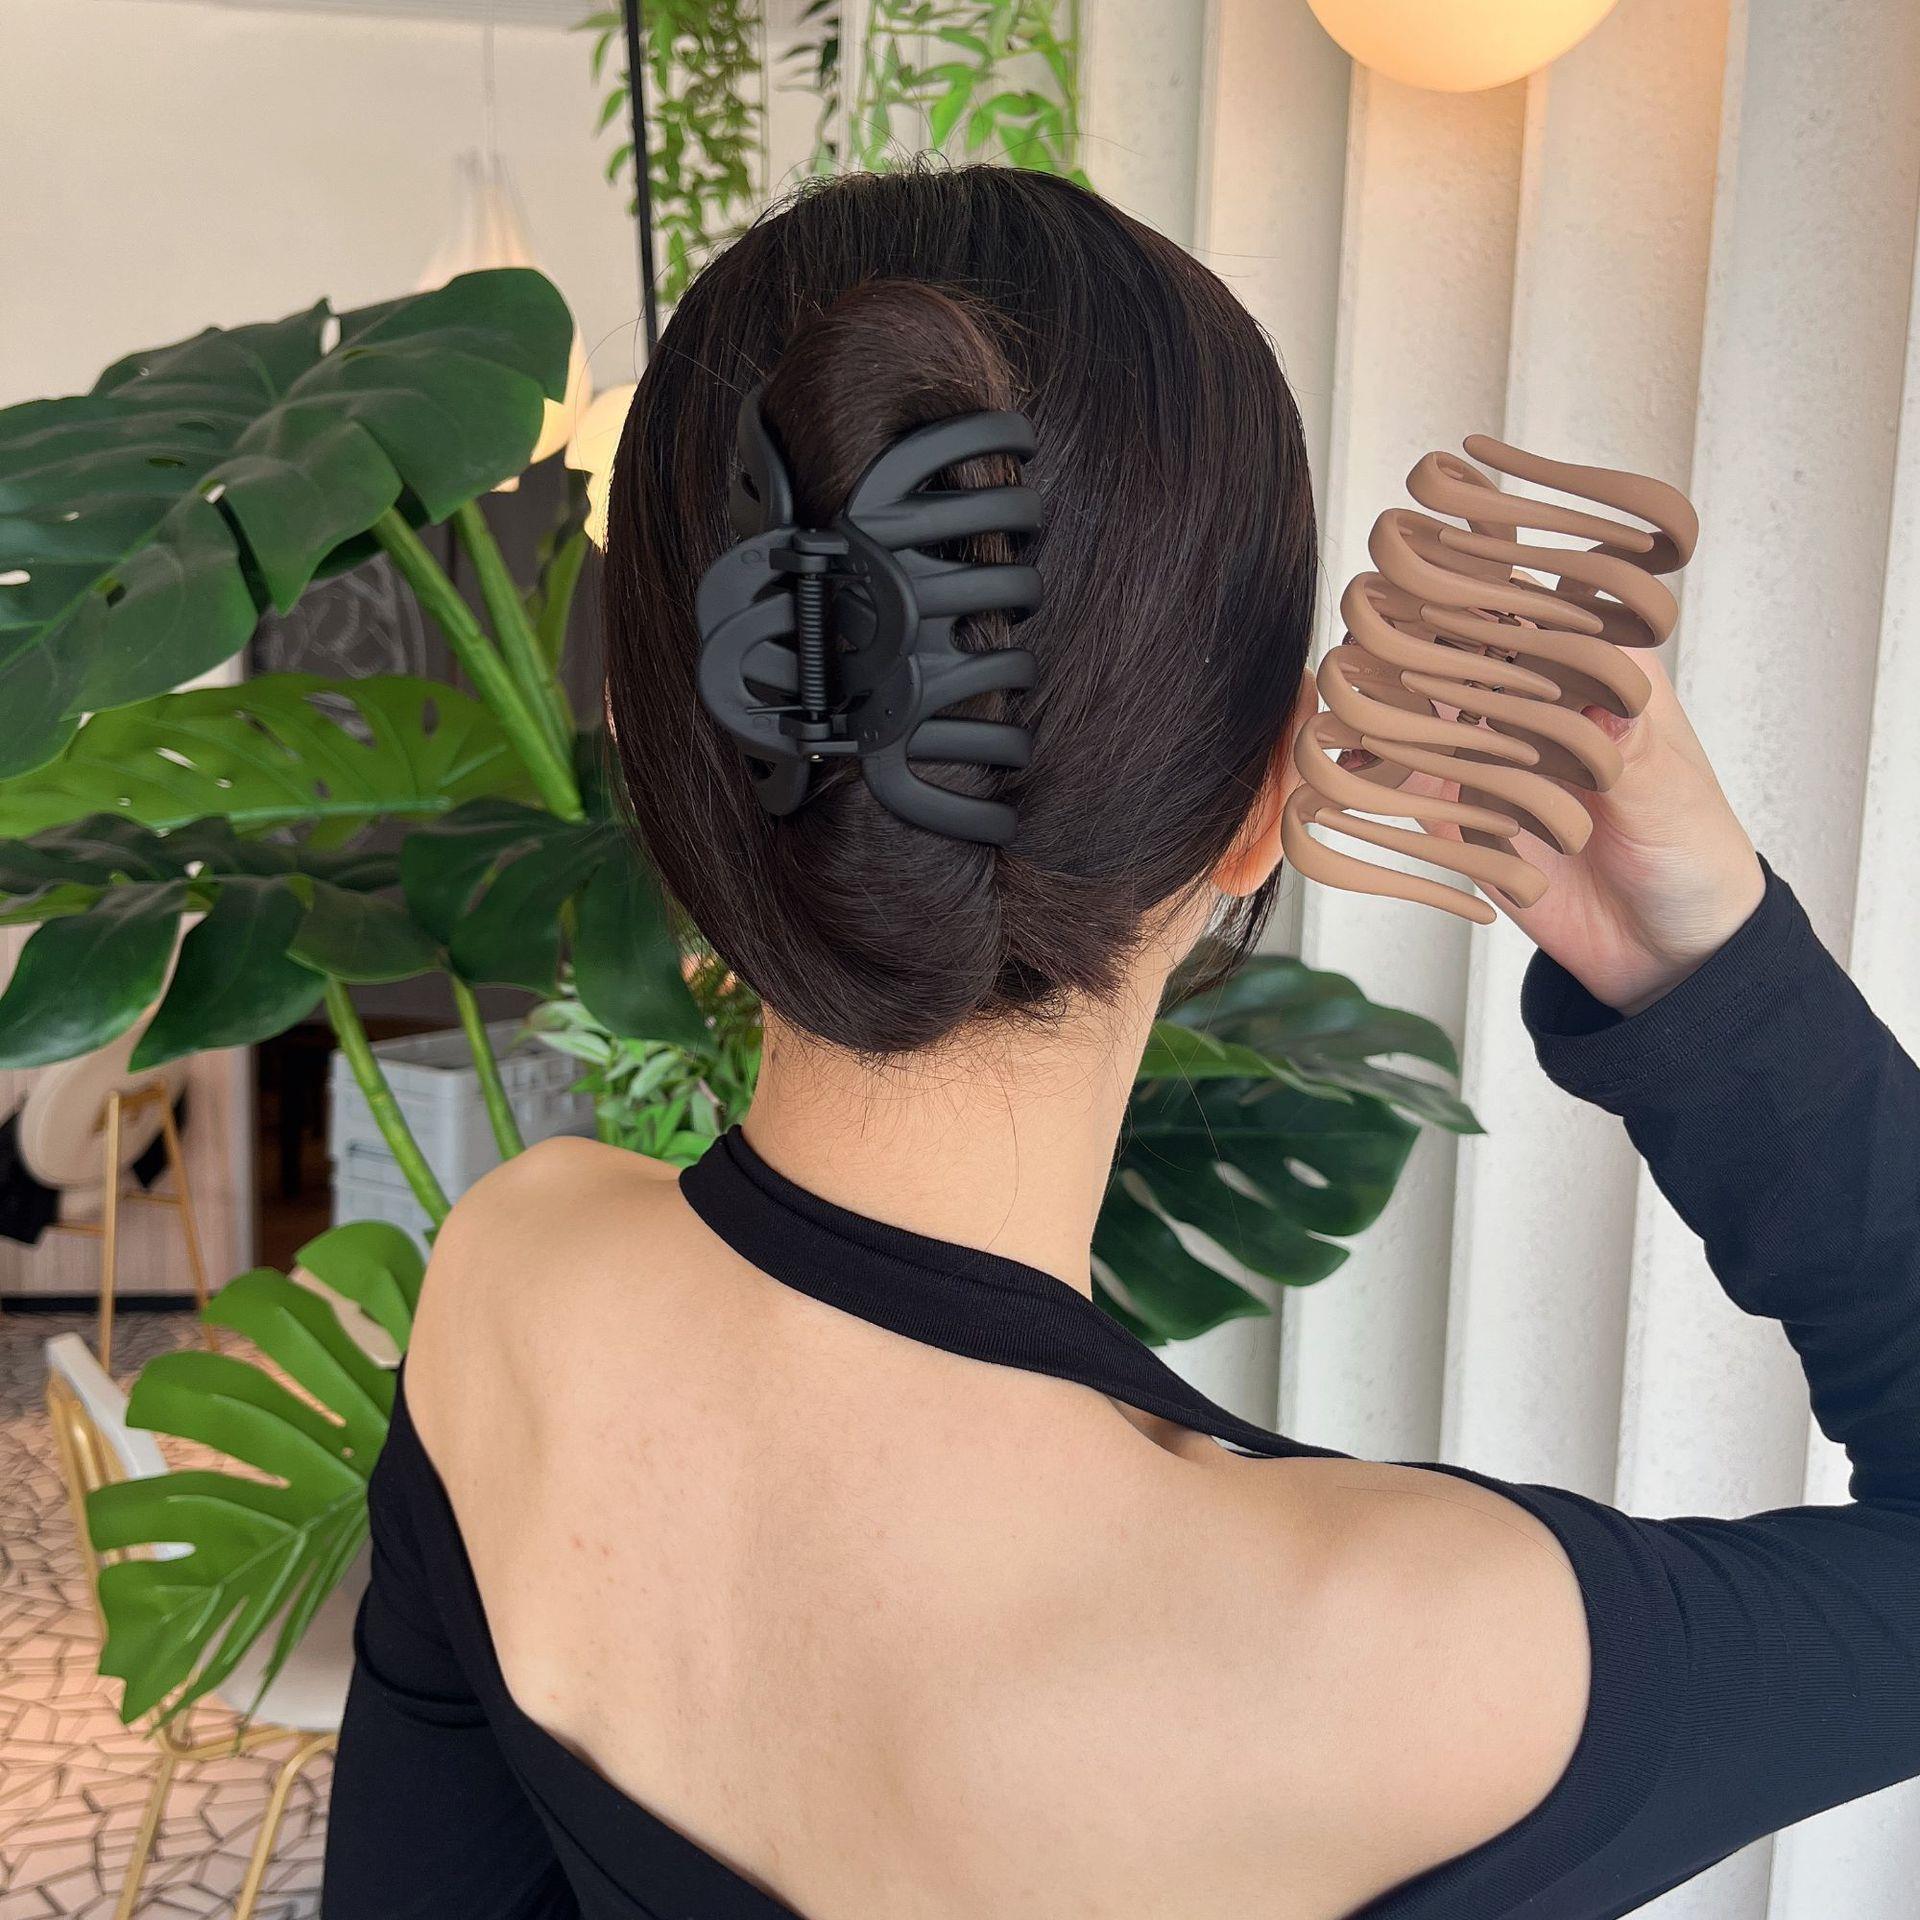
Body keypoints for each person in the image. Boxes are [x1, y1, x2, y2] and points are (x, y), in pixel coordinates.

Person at [323, 166, 1920, 1919]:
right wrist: (1711, 964)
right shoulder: (1379, 1661)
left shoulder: (514, 1283)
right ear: (1260, 805)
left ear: (664, 746)